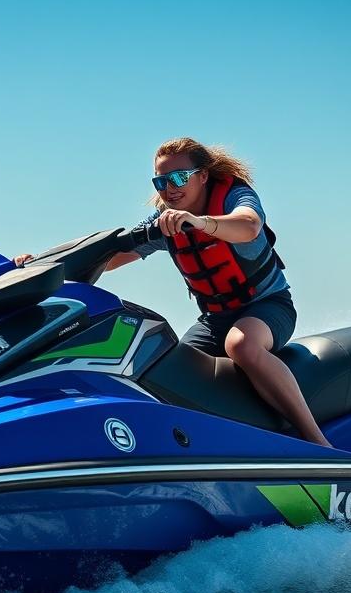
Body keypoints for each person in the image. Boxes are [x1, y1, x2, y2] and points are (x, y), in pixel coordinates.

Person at [21, 137, 331, 447]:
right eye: (160, 181)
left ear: (203, 176)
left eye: (179, 177)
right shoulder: (165, 221)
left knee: (241, 345)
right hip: (214, 320)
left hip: (267, 306)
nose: (169, 188)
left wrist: (199, 222)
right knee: (170, 371)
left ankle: (317, 440)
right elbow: (113, 259)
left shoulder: (233, 197)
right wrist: (40, 266)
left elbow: (249, 226)